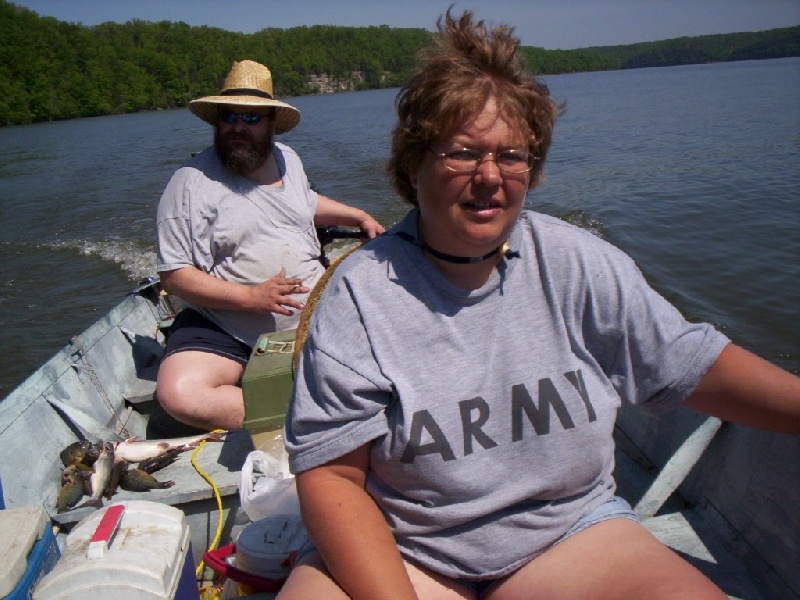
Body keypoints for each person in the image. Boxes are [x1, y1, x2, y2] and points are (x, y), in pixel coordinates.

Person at [279, 10, 800, 600]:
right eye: (461, 152)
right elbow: (333, 478)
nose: (489, 176)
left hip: (567, 535)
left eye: (511, 156)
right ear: (414, 163)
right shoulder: (361, 294)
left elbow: (692, 368)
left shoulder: (577, 263)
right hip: (409, 551)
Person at [155, 59, 384, 431]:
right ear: (217, 121)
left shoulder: (288, 159)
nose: (237, 128)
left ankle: (317, 401)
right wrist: (250, 298)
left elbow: (306, 203)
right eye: (229, 117)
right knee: (181, 394)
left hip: (311, 316)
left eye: (251, 119)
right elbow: (174, 275)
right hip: (226, 325)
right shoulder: (188, 184)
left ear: (271, 124)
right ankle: (313, 413)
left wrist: (356, 216)